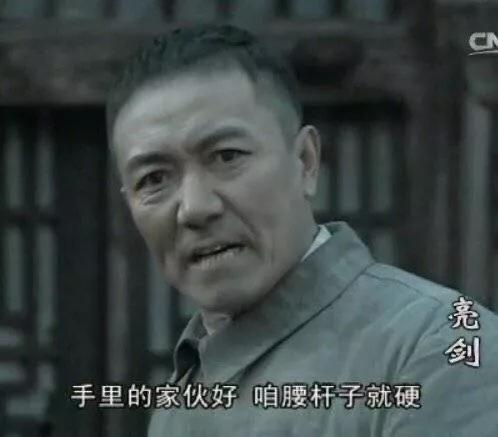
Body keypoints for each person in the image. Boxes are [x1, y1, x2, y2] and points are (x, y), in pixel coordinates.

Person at [106, 24, 498, 436]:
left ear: (306, 162)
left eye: (227, 156)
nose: (195, 208)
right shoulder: (185, 387)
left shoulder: (437, 348)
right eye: (153, 179)